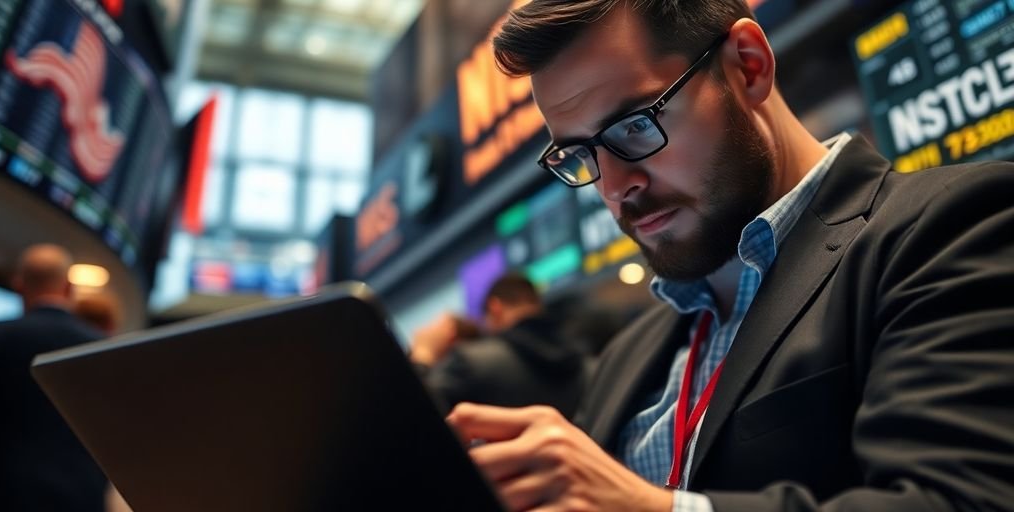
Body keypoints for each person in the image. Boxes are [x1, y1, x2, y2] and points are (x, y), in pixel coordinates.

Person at [444, 1, 1014, 511]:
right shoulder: (627, 356)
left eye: (635, 126)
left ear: (748, 65)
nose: (614, 187)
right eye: (579, 154)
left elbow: (959, 498)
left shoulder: (950, 227)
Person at [0, 244, 109, 511]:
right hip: (79, 495)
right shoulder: (101, 348)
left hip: (4, 494)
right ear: (69, 287)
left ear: (19, 286)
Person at [411, 274, 588, 418]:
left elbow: (411, 419)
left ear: (495, 308)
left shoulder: (471, 362)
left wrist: (422, 355)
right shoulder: (584, 359)